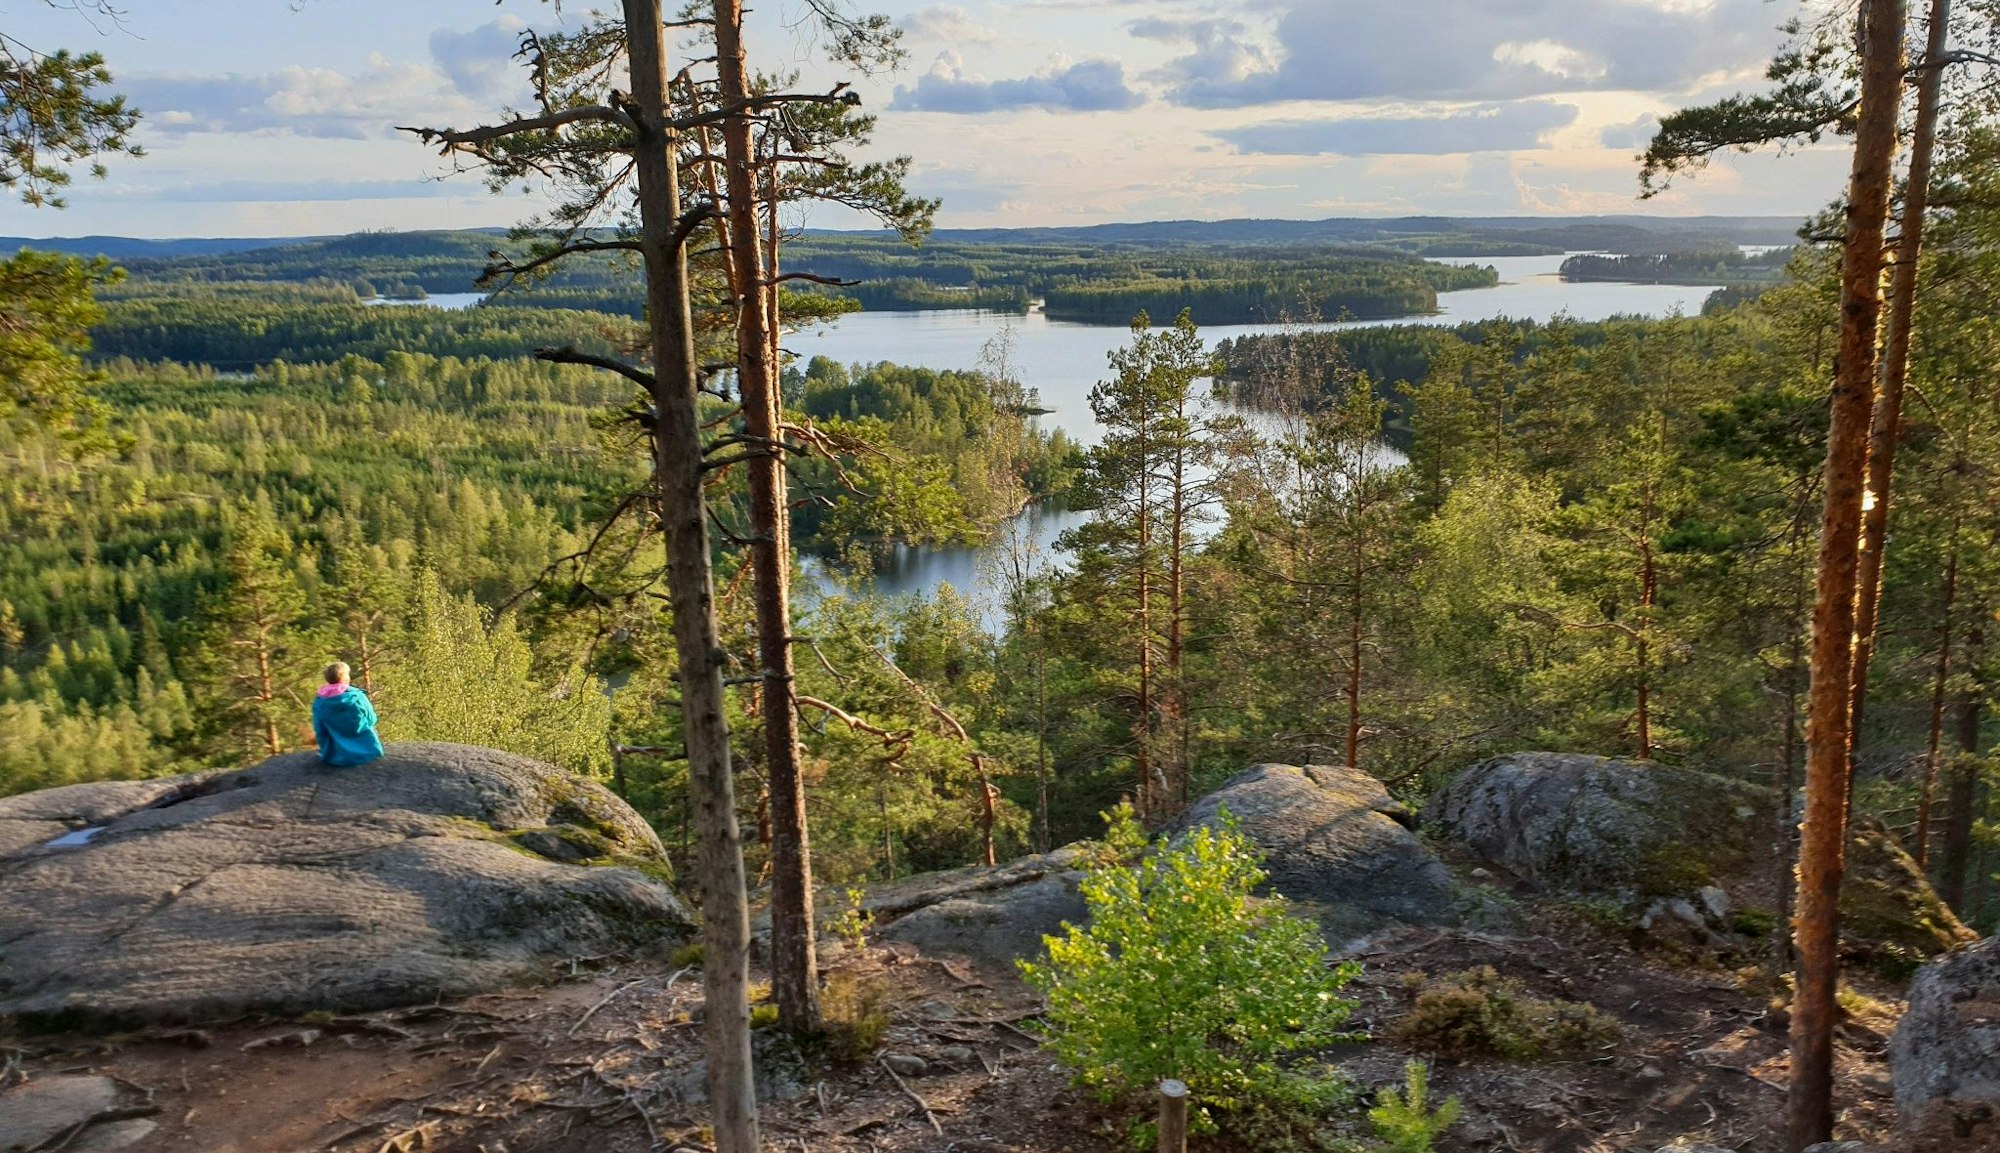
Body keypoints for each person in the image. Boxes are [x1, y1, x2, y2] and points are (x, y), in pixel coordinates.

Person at [312, 661, 384, 766]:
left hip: (334, 756)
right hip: (367, 751)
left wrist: (325, 750)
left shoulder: (319, 701)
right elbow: (371, 719)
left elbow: (320, 730)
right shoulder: (357, 696)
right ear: (345, 678)